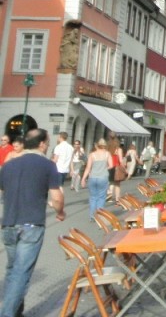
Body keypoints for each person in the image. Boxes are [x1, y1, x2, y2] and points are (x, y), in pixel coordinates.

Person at [0, 128, 65, 317]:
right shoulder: (47, 165)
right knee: (21, 273)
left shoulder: (9, 165)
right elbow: (57, 198)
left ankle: (15, 311)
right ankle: (7, 313)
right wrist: (60, 212)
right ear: (42, 144)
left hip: (9, 225)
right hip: (32, 225)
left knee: (13, 270)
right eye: (48, 142)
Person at [80, 138, 111, 221]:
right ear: (105, 146)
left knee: (93, 197)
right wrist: (105, 168)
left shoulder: (92, 155)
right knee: (101, 197)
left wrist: (83, 179)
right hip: (103, 177)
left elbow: (88, 168)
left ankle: (92, 216)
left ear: (98, 145)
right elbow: (111, 165)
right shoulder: (107, 154)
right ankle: (99, 216)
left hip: (93, 177)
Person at [107, 137, 125, 203]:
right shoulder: (118, 149)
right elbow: (120, 160)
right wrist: (124, 168)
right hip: (116, 167)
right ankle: (117, 199)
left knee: (111, 182)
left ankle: (110, 196)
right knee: (117, 184)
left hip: (110, 167)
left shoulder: (108, 150)